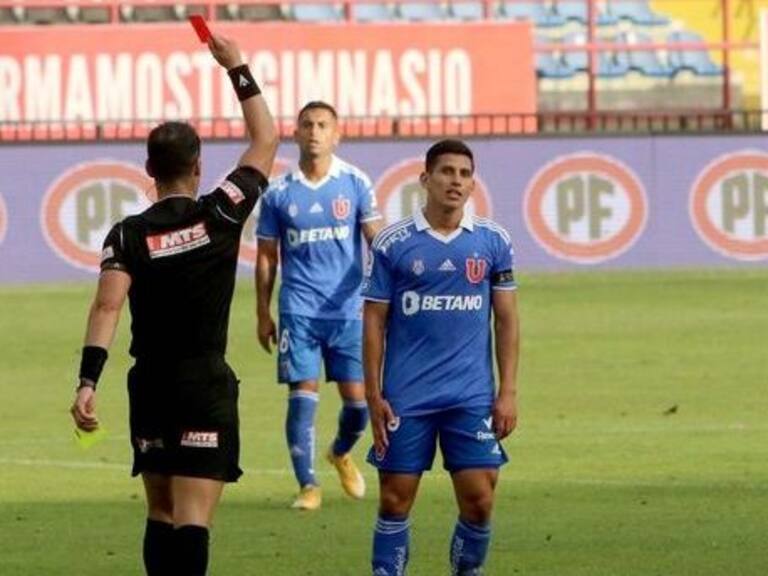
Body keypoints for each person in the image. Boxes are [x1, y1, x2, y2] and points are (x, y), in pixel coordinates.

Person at [69, 34, 278, 576]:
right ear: (198, 166)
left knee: (160, 513)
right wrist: (236, 66)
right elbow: (266, 139)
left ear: (149, 168)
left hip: (151, 385)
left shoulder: (126, 234)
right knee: (192, 519)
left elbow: (107, 308)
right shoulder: (221, 214)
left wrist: (87, 382)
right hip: (203, 383)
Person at [362, 139, 520, 575]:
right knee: (394, 498)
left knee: (480, 499)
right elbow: (373, 321)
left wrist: (508, 391)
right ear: (425, 179)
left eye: (465, 174)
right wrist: (373, 395)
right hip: (407, 396)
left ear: (472, 185)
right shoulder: (393, 243)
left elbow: (507, 319)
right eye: (447, 171)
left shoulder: (493, 241)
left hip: (470, 395)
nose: (456, 181)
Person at [255, 101, 383, 510]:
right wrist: (262, 312)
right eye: (307, 124)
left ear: (336, 135)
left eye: (323, 125)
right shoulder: (278, 193)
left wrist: (389, 290)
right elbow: (266, 257)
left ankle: (340, 452)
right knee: (302, 395)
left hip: (348, 311)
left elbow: (376, 240)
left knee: (359, 404)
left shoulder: (355, 182)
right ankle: (308, 485)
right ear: (295, 133)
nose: (314, 131)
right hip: (299, 310)